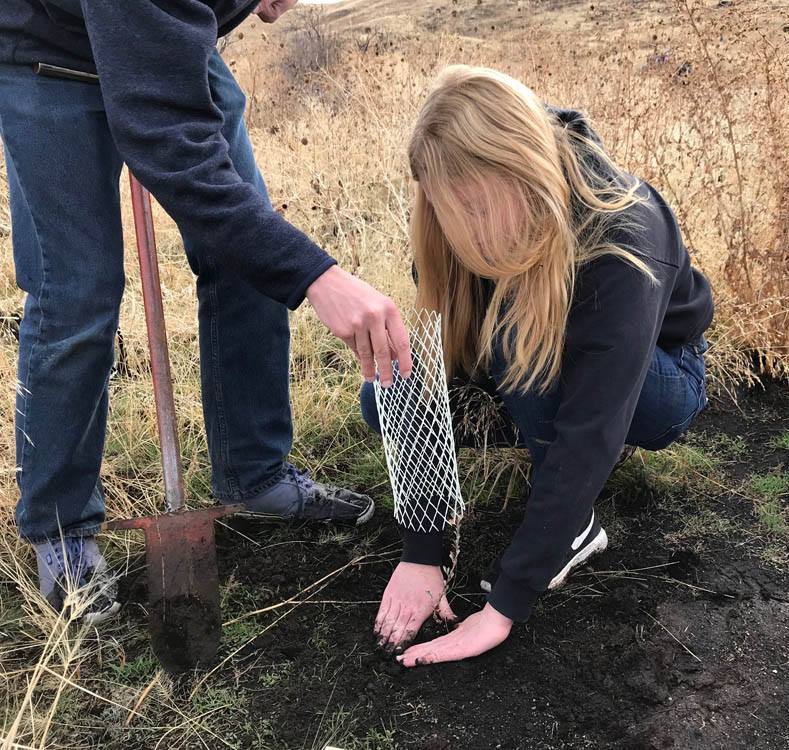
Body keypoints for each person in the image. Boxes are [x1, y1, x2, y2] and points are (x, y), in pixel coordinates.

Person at [0, 0, 412, 622]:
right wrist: (317, 277)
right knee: (76, 292)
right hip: (45, 55)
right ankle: (59, 528)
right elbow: (168, 145)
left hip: (160, 44)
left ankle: (254, 475)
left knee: (247, 254)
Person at [361, 65, 714, 666]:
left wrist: (503, 608)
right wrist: (424, 550)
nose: (460, 228)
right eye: (448, 209)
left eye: (473, 207)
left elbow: (593, 426)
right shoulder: (460, 215)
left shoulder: (623, 232)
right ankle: (537, 427)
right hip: (533, 352)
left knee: (519, 333)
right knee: (383, 402)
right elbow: (434, 369)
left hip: (654, 385)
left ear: (517, 172)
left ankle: (573, 528)